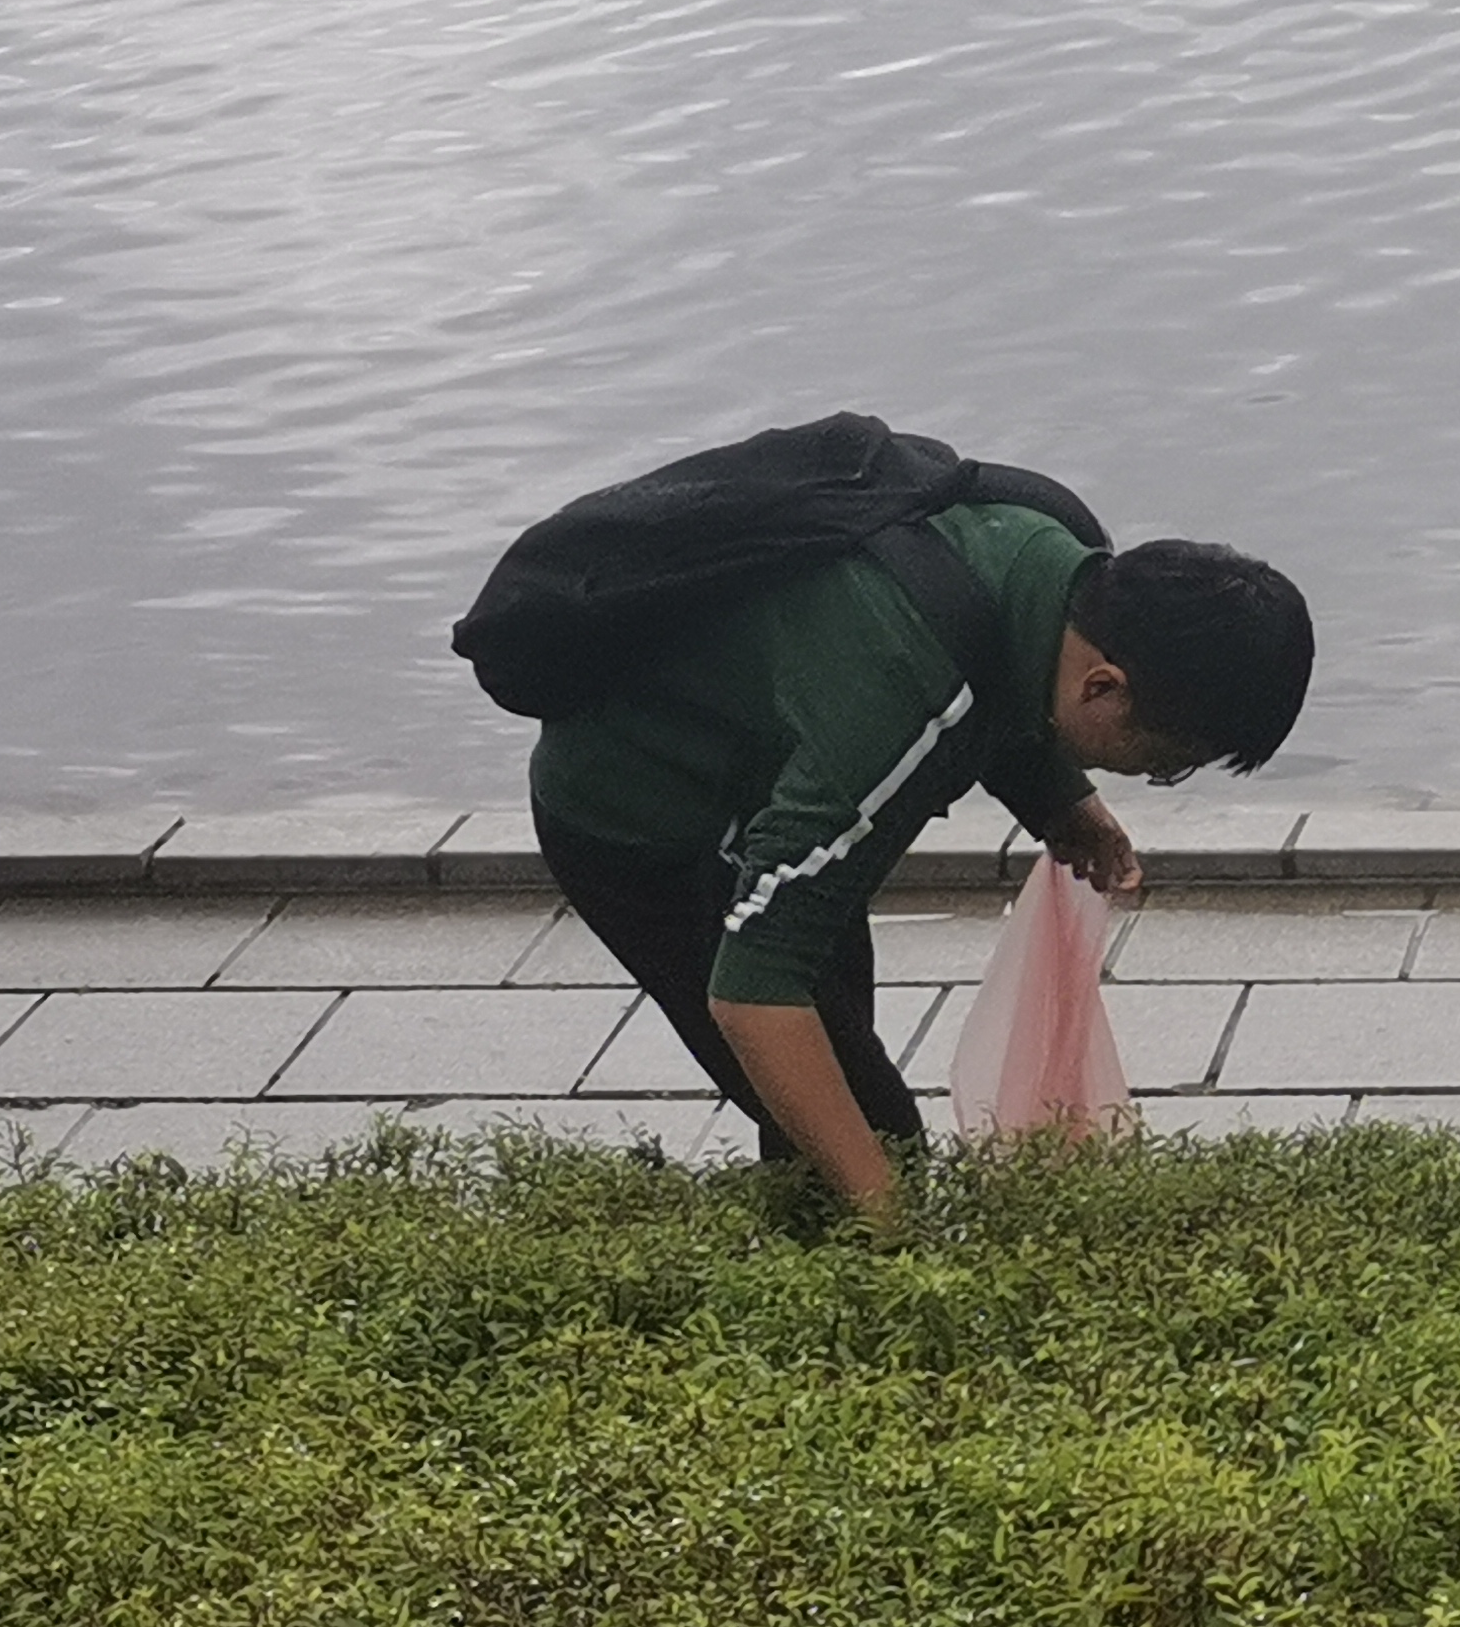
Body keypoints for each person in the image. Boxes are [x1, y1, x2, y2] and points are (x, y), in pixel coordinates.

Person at [529, 518, 1312, 1224]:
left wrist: (1059, 799)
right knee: (870, 1141)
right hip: (640, 814)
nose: (1152, 777)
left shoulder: (1059, 561)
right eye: (1164, 761)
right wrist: (891, 1223)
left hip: (782, 770)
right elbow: (752, 991)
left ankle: (803, 1238)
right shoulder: (900, 710)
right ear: (1103, 685)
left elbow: (999, 664)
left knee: (835, 1090)